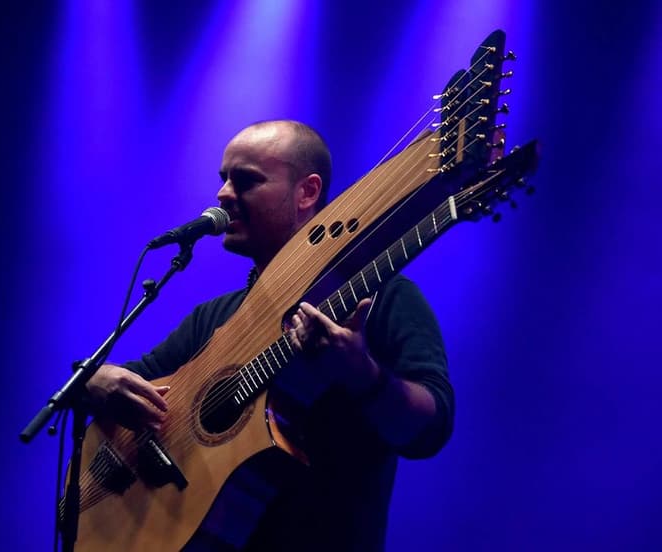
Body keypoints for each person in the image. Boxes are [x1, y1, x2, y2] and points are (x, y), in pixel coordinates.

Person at [86, 120, 454, 550]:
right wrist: (96, 379)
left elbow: (430, 430)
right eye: (223, 179)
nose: (223, 194)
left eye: (245, 180)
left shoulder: (379, 295)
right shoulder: (215, 317)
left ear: (307, 192)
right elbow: (134, 381)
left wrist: (363, 374)